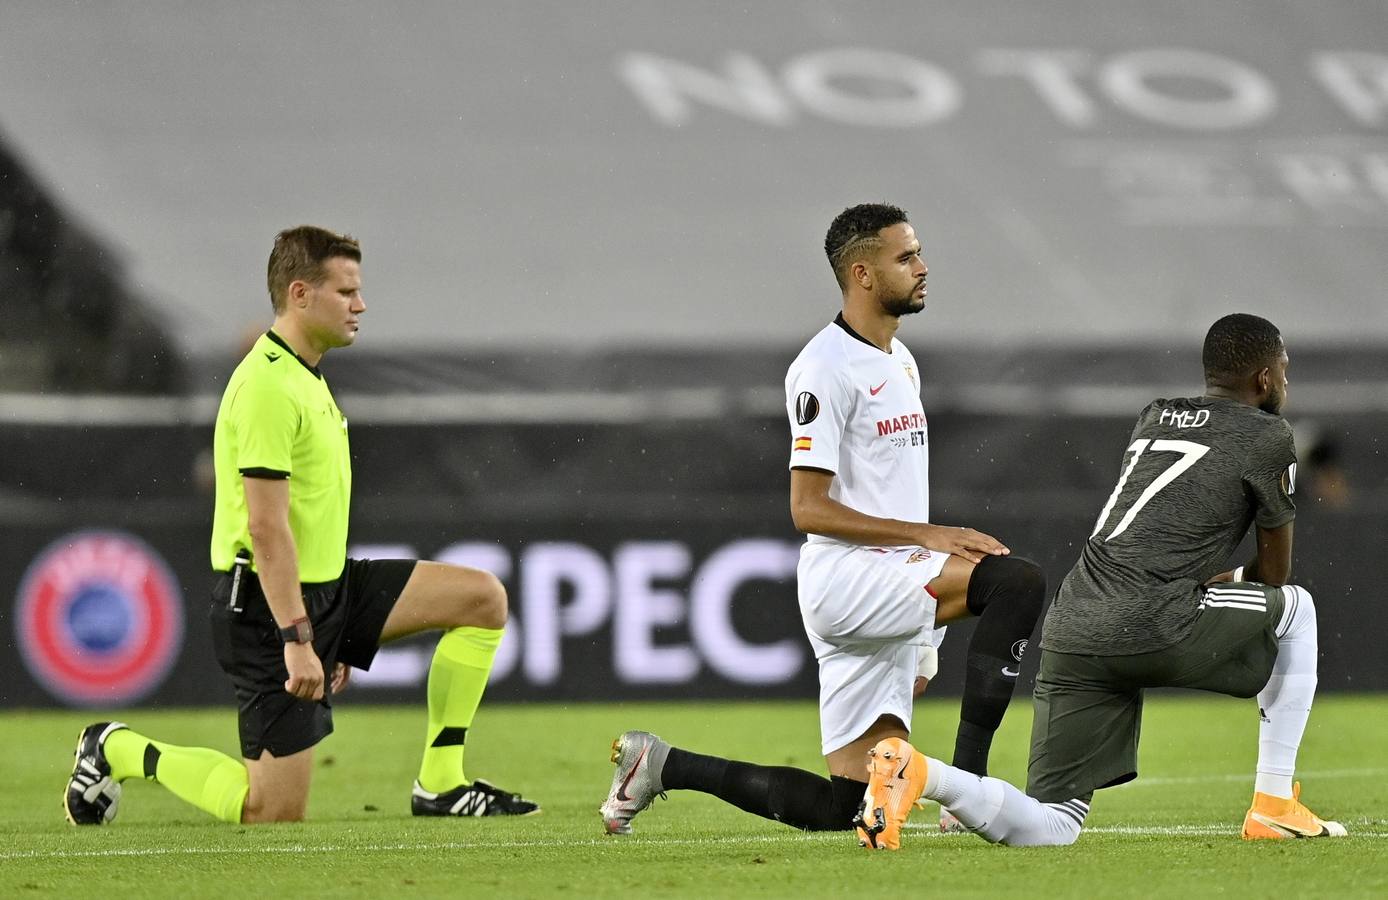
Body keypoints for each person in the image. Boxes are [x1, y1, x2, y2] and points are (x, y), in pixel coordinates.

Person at [600, 203, 1046, 849]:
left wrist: (924, 625)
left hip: (894, 579)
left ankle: (661, 764)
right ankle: (970, 786)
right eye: (906, 257)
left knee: (841, 804)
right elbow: (808, 510)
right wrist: (926, 536)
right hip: (851, 578)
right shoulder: (824, 369)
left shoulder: (900, 359)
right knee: (1016, 583)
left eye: (918, 253)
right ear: (862, 274)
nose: (923, 268)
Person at [64, 226, 537, 825]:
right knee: (271, 810)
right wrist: (299, 638)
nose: (360, 305)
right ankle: (116, 747)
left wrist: (332, 624)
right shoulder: (266, 386)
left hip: (324, 588)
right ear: (300, 294)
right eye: (346, 291)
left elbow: (310, 517)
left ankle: (440, 786)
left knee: (481, 599)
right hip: (267, 609)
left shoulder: (304, 374)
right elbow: (266, 529)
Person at [875, 313, 1346, 846]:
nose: (1286, 380)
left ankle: (920, 773)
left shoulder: (1154, 415)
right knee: (1297, 608)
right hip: (1157, 619)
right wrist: (1231, 575)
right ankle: (1274, 804)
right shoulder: (1269, 434)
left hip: (1073, 623)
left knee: (1054, 826)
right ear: (1264, 378)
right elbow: (1274, 574)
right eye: (1283, 368)